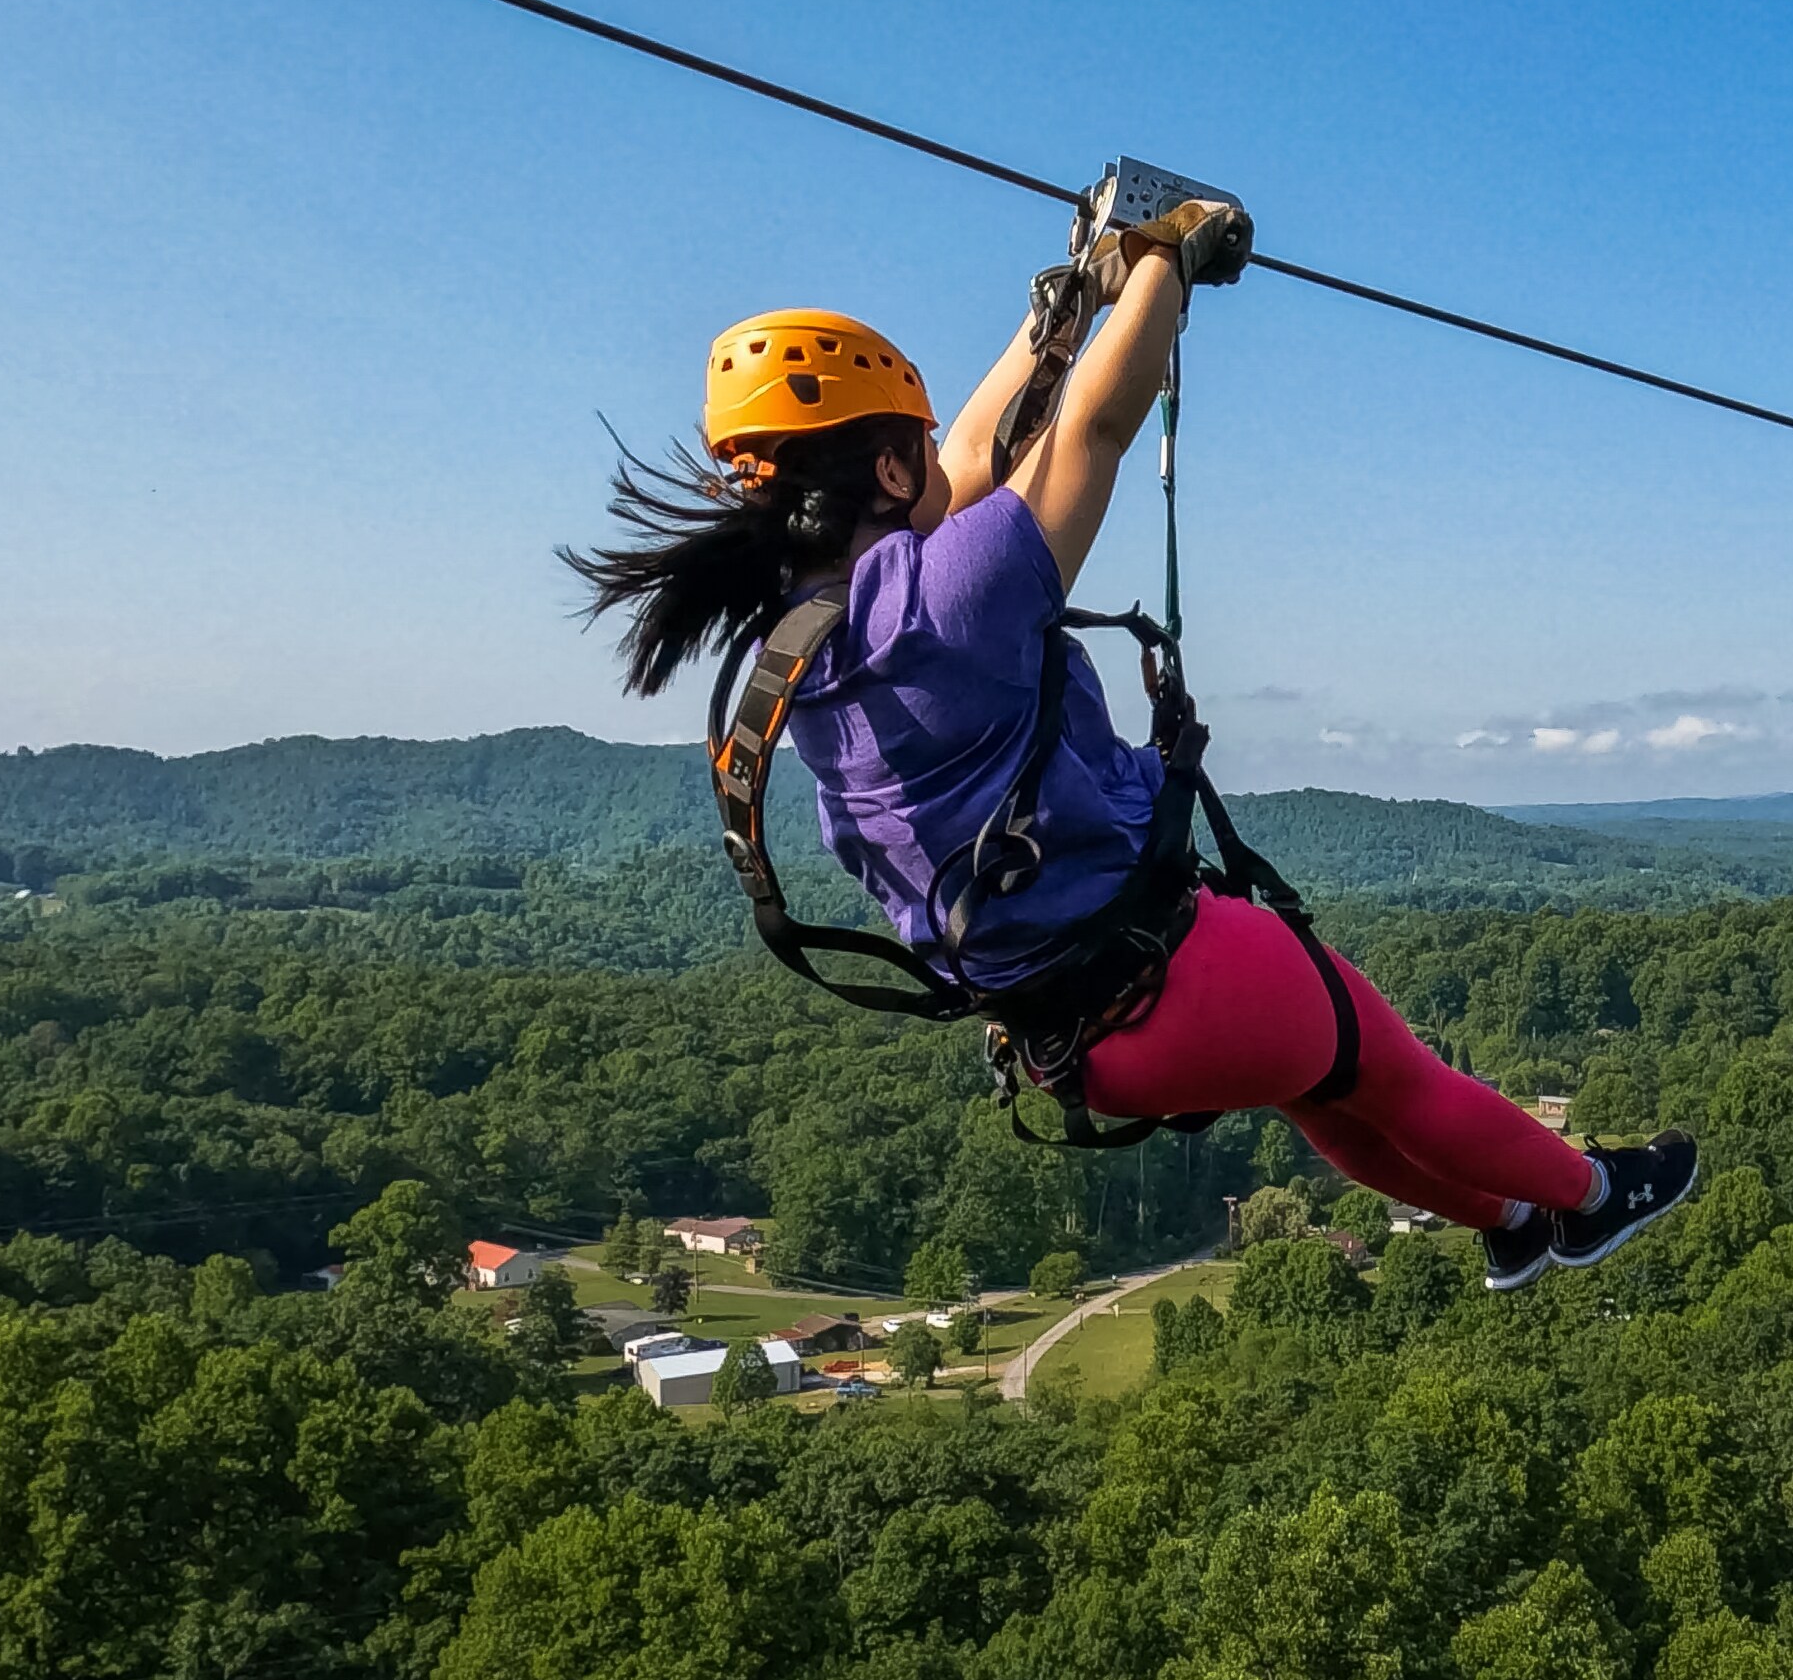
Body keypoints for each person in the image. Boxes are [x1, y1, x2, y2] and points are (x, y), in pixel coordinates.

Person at [563, 199, 1690, 1290]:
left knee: (1324, 1091)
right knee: (1390, 1074)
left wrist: (1064, 310)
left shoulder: (798, 655)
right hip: (1179, 976)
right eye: (911, 454)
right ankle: (1590, 1199)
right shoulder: (950, 594)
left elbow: (967, 455)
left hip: (1075, 1043)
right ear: (889, 475)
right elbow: (1089, 432)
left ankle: (1502, 1223)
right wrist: (1168, 259)